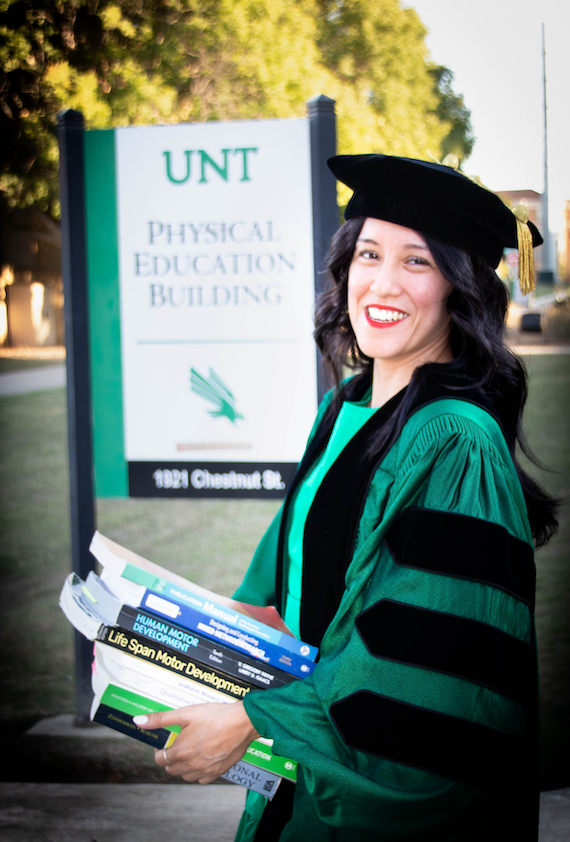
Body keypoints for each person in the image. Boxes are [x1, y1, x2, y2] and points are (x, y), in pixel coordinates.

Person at [134, 154, 558, 841]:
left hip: (368, 809)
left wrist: (251, 720)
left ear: (460, 288)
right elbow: (282, 590)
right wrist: (150, 640)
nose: (382, 283)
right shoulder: (343, 409)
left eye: (417, 262)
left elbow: (423, 667)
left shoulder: (456, 441)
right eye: (368, 254)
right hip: (296, 777)